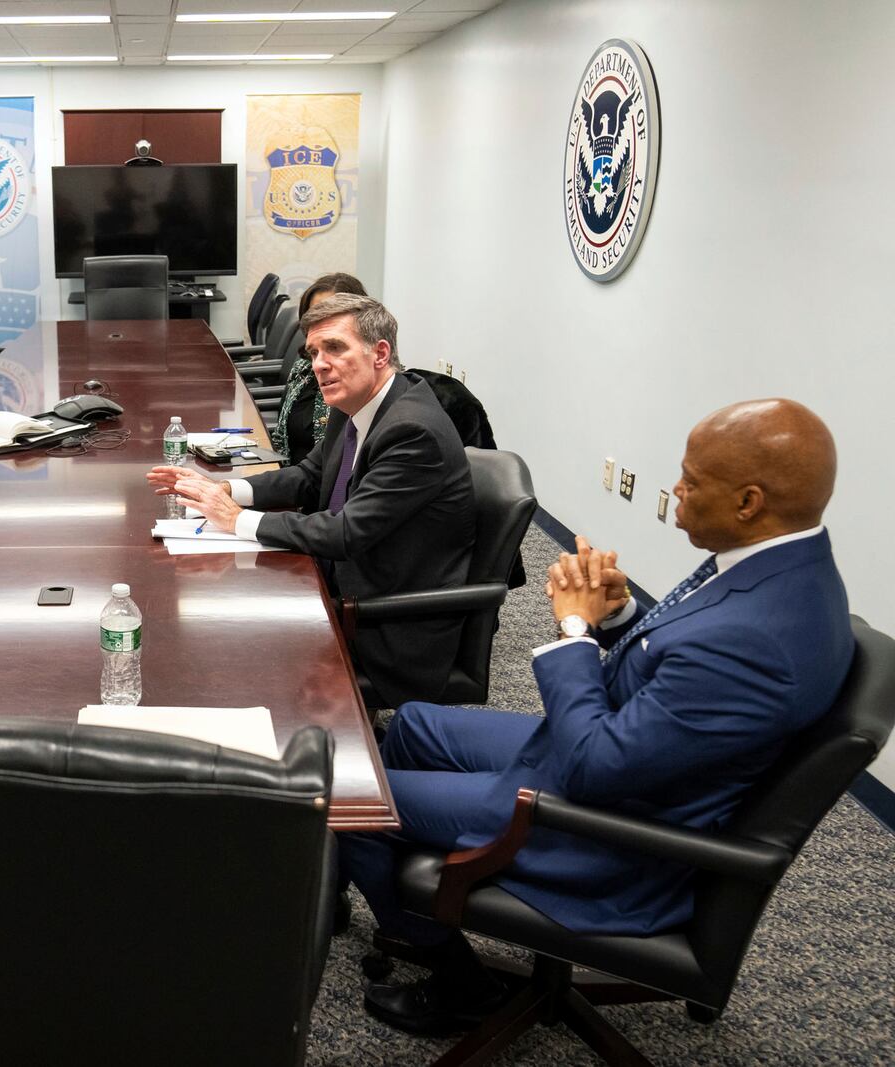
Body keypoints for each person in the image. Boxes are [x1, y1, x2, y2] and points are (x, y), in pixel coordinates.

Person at [344, 398, 854, 1037]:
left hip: (599, 827)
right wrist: (616, 618)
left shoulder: (759, 638)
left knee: (353, 800)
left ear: (749, 502)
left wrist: (575, 628)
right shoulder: (776, 564)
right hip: (612, 756)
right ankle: (412, 865)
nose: (676, 490)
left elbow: (595, 768)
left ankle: (457, 976)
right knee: (415, 722)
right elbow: (678, 668)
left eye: (691, 482)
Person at [149, 293, 475, 708]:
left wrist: (235, 520)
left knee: (223, 641)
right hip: (348, 580)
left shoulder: (412, 432)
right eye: (314, 352)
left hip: (387, 621)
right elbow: (309, 477)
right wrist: (227, 490)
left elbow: (345, 532)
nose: (320, 364)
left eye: (335, 348)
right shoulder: (355, 402)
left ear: (380, 353)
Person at [271, 272, 369, 467]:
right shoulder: (303, 370)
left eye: (330, 316)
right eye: (313, 316)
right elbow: (281, 439)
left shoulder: (360, 387)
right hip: (292, 482)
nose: (320, 324)